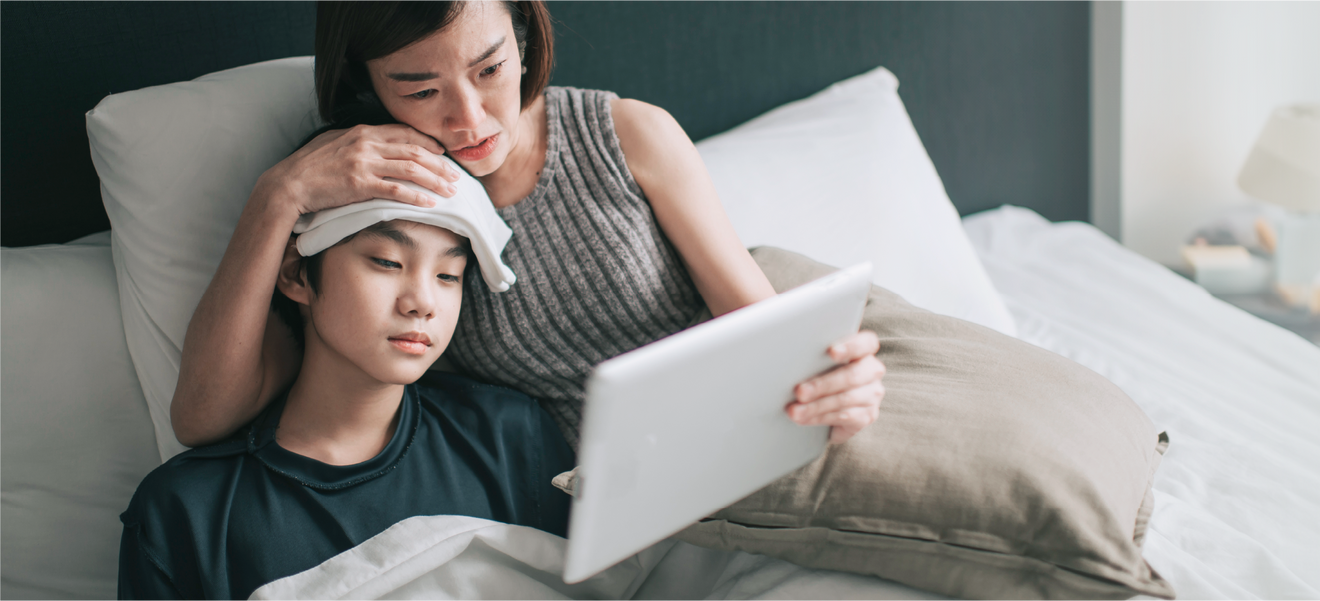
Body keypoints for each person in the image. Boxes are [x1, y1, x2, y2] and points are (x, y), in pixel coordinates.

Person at [169, 0, 886, 450]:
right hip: (602, 492)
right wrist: (277, 196)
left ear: (522, 30)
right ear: (367, 85)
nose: (471, 121)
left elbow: (763, 333)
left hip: (739, 425)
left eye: (489, 69)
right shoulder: (373, 199)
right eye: (420, 89)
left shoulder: (629, 135)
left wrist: (827, 383)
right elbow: (202, 417)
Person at [119, 217, 575, 599]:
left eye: (448, 275)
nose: (423, 303)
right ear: (298, 275)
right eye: (387, 262)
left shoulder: (508, 435)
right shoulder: (188, 509)